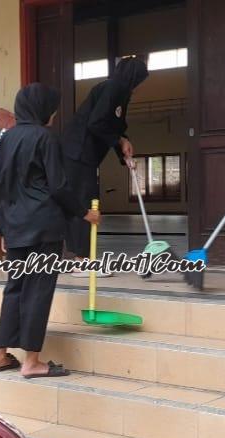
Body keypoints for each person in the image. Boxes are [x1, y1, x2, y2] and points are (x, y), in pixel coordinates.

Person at [0, 83, 100, 378]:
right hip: (42, 226)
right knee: (37, 290)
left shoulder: (6, 139)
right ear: (42, 110)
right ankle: (32, 361)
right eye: (51, 109)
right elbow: (59, 185)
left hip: (15, 226)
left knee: (15, 288)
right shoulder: (45, 138)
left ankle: (0, 355)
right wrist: (84, 212)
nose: (52, 115)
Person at [61, 57, 149, 275]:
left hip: (83, 156)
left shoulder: (119, 92)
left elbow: (115, 127)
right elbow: (96, 123)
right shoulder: (112, 88)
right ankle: (81, 262)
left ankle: (79, 259)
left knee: (86, 201)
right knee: (85, 204)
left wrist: (124, 151)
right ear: (133, 76)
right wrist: (120, 141)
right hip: (77, 153)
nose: (139, 86)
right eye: (139, 80)